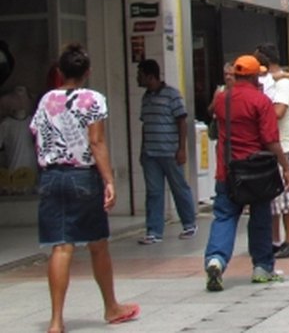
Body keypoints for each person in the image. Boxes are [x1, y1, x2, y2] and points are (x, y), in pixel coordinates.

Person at [31, 43, 141, 332]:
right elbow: (96, 142)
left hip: (51, 176)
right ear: (87, 72)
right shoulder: (93, 99)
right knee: (98, 244)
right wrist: (109, 180)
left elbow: (37, 134)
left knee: (61, 247)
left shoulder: (46, 100)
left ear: (60, 71)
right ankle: (111, 306)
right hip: (82, 176)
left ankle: (56, 320)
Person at [204, 54, 289, 291]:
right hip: (256, 173)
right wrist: (285, 166)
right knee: (260, 218)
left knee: (224, 216)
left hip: (227, 171)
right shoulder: (260, 101)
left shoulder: (222, 99)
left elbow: (213, 114)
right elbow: (271, 141)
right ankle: (262, 267)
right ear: (255, 76)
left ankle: (216, 260)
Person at [135, 59, 197, 245]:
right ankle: (154, 231)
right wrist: (142, 149)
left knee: (179, 188)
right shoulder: (145, 98)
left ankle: (189, 224)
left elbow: (182, 122)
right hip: (150, 154)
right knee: (153, 192)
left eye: (140, 75)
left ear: (150, 76)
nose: (137, 79)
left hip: (170, 152)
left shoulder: (172, 95)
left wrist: (182, 149)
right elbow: (145, 125)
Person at [254, 44, 289, 259]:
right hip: (269, 146)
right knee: (273, 200)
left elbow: (279, 112)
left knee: (286, 197)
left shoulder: (283, 85)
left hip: (284, 145)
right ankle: (275, 240)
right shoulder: (270, 82)